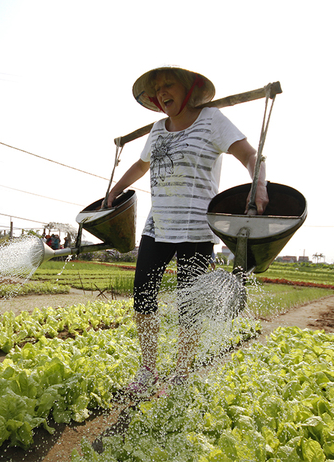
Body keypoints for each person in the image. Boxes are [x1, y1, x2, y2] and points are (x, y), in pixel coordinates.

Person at [105, 66, 269, 395]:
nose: (162, 92)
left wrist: (259, 185)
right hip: (158, 225)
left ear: (190, 88)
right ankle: (148, 370)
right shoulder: (157, 129)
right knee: (142, 297)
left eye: (169, 85)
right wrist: (115, 190)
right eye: (157, 88)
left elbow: (252, 155)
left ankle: (181, 372)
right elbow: (141, 164)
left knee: (188, 306)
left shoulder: (212, 119)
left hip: (196, 229)